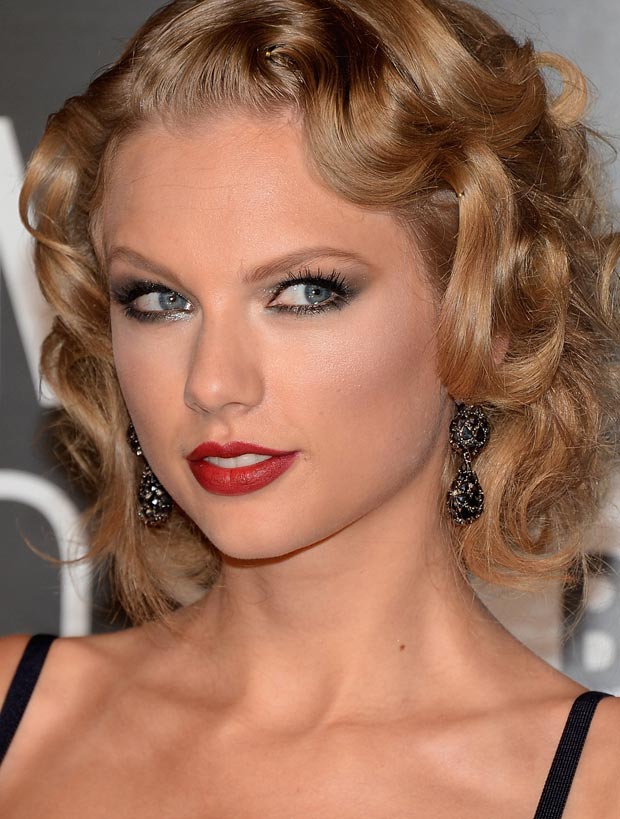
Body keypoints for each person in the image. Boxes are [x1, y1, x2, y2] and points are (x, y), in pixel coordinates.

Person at [0, 0, 619, 814]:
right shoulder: (19, 718)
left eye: (303, 292)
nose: (212, 383)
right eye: (158, 299)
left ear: (485, 316)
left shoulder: (598, 784)